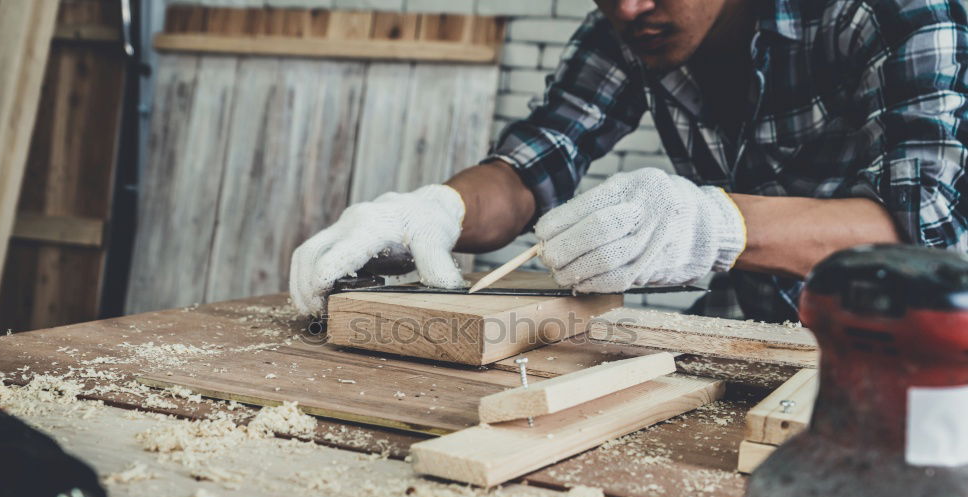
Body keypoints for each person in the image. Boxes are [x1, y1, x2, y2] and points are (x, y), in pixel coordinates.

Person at [290, 0, 968, 322]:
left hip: (913, 350)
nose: (628, 5)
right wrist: (436, 209)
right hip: (746, 330)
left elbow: (924, 232)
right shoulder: (630, 26)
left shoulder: (894, 10)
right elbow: (538, 160)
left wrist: (714, 226)